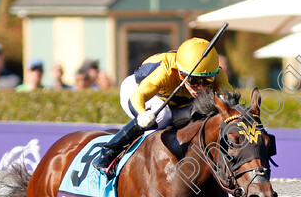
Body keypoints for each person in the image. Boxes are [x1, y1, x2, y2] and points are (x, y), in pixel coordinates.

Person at [92, 37, 231, 174]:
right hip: (139, 91)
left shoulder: (218, 75)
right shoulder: (166, 71)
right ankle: (108, 152)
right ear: (181, 73)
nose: (200, 87)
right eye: (194, 80)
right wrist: (142, 114)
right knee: (162, 115)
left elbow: (230, 100)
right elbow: (138, 96)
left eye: (207, 80)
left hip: (174, 102)